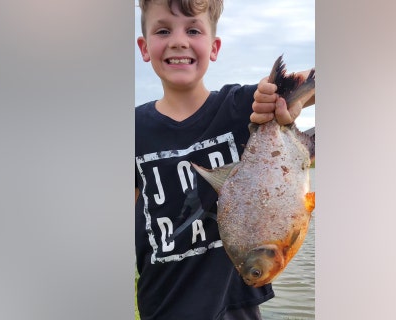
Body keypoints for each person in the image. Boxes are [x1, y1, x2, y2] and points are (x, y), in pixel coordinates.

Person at [134, 0, 314, 319]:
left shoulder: (240, 106)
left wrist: (284, 101)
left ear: (214, 47)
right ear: (144, 47)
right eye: (163, 30)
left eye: (193, 29)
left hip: (236, 309)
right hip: (162, 306)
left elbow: (310, 83)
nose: (178, 40)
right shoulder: (133, 129)